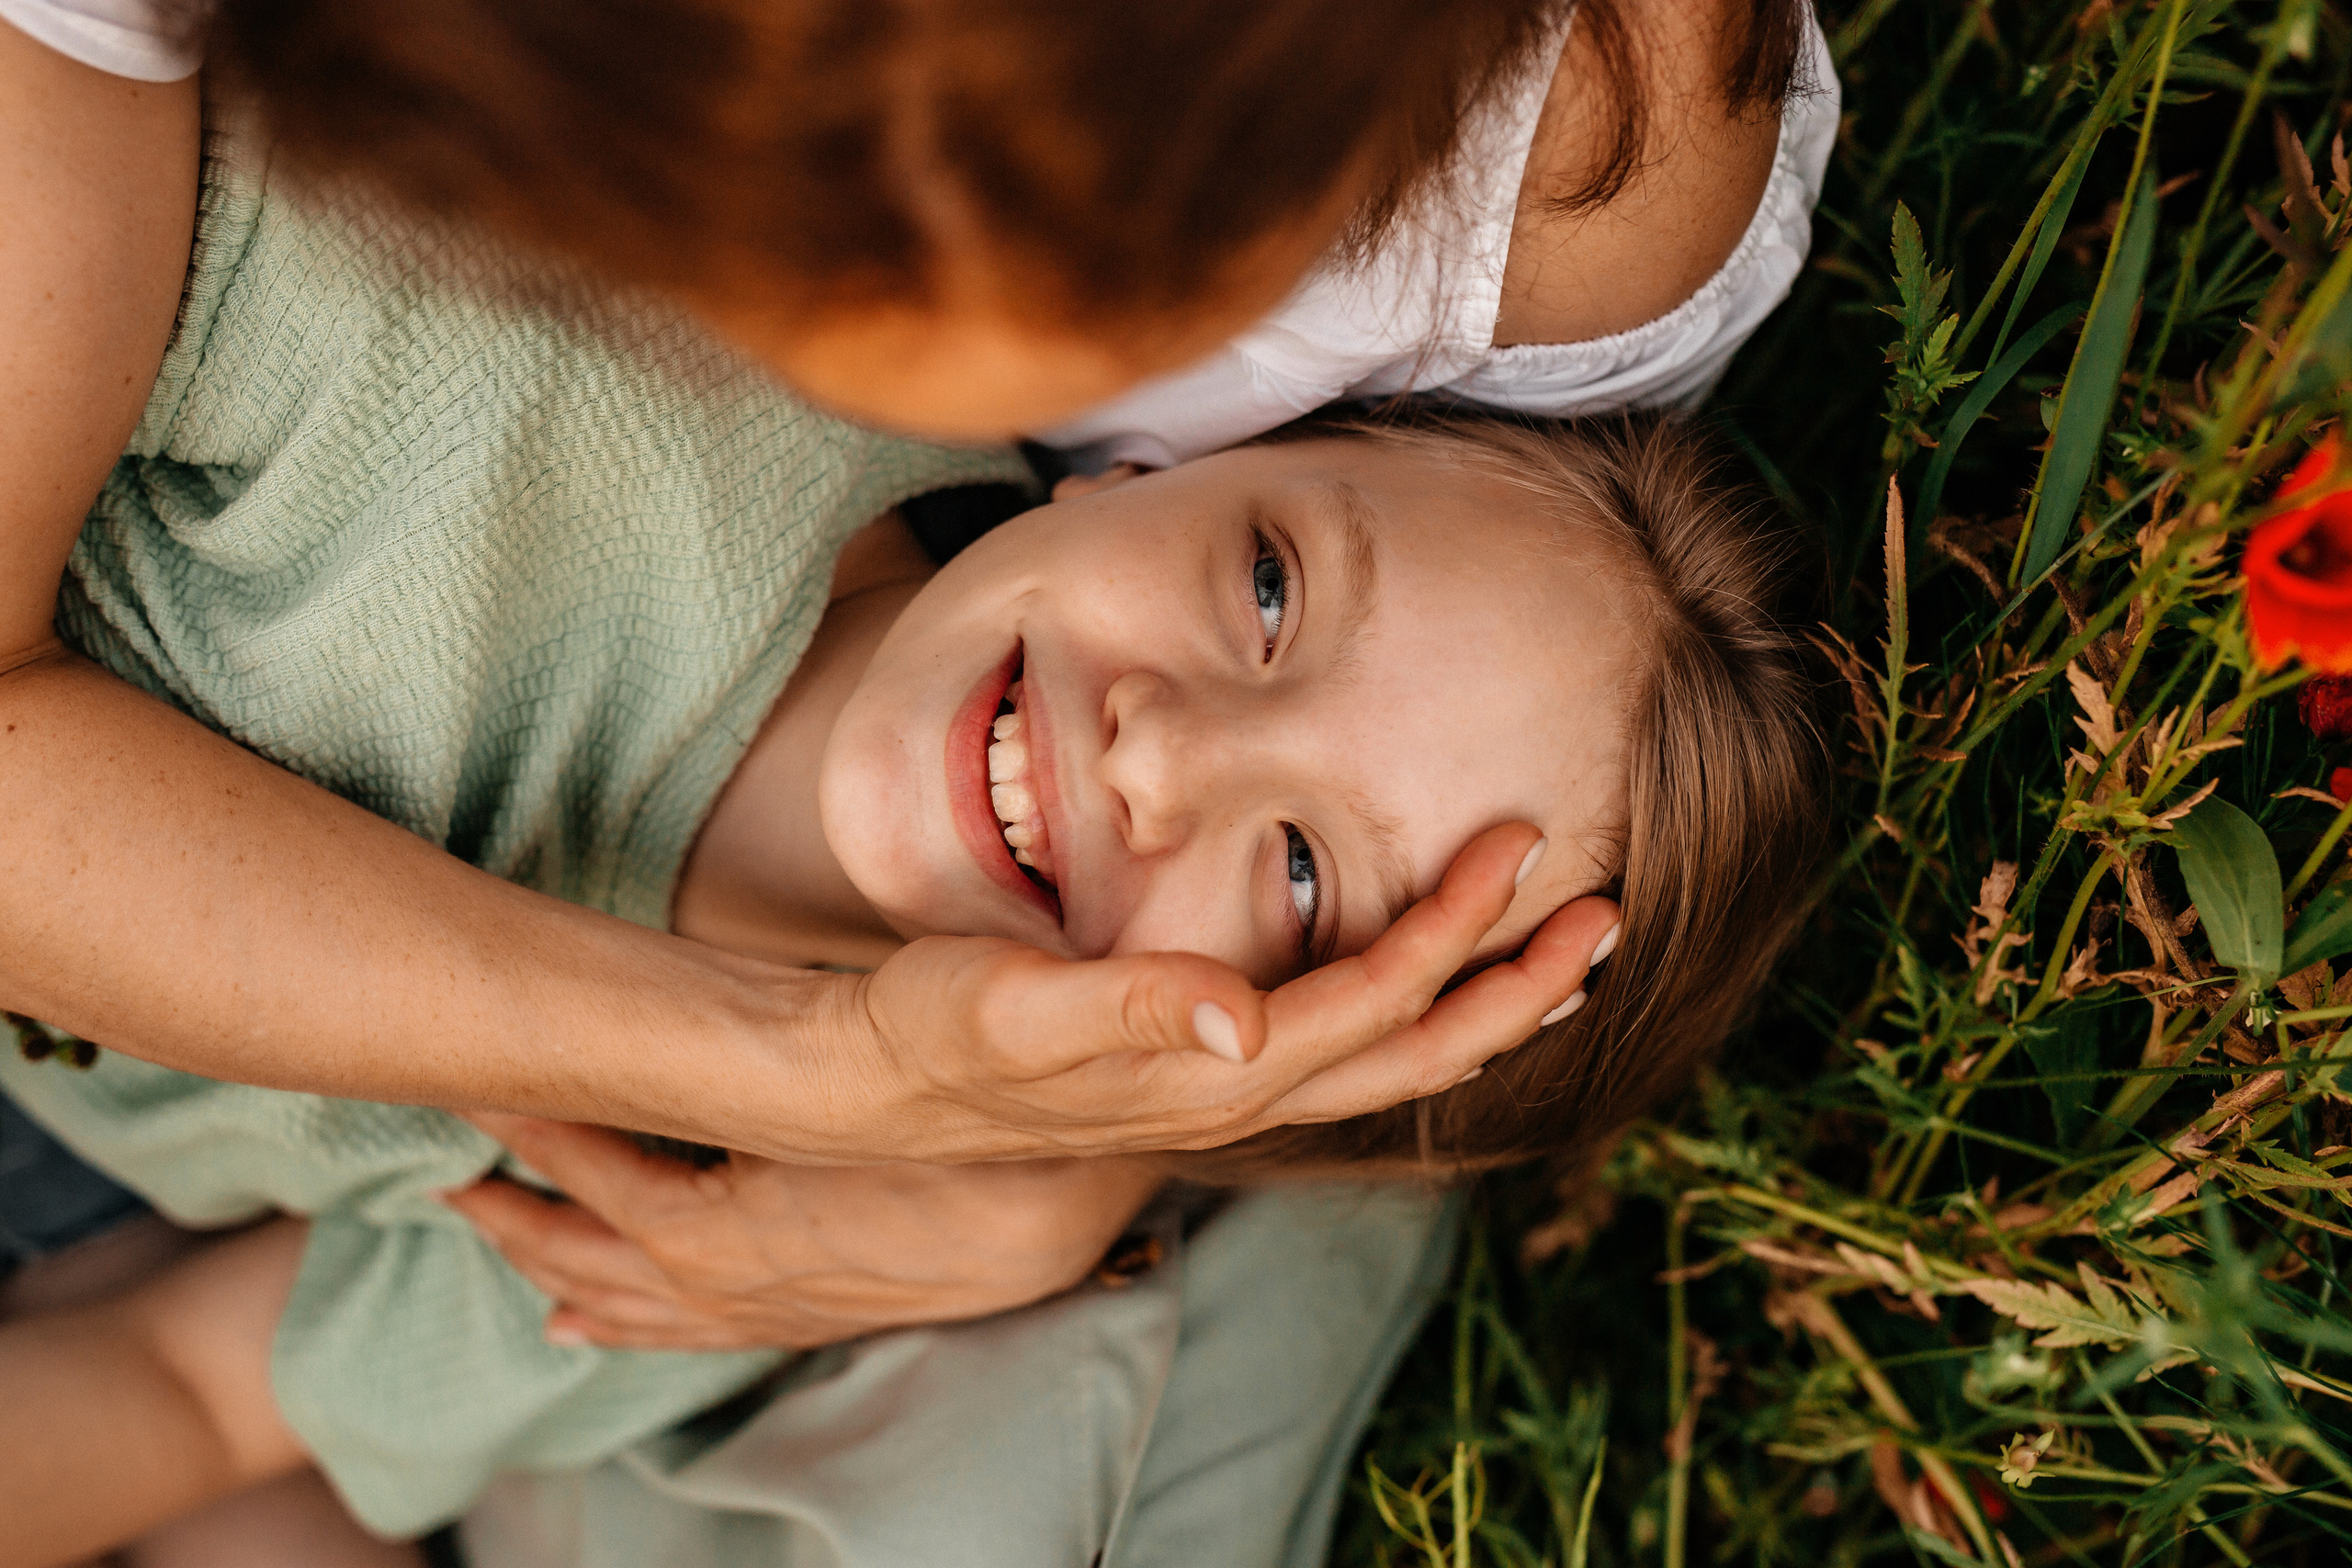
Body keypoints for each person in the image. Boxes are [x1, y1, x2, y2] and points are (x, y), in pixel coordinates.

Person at [0, 121, 1823, 1545]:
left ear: (1243, 1089)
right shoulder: (536, 356)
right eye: (1266, 585)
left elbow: (183, 1385)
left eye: (1297, 876)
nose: (1160, 751)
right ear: (1159, 461)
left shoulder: (740, 1225)